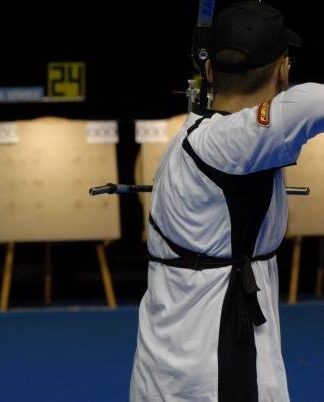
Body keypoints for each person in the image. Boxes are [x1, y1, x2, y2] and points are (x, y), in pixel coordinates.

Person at [130, 2, 324, 401]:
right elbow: (311, 102)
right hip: (219, 367)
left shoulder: (197, 132)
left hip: (165, 365)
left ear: (211, 70)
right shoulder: (232, 141)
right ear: (284, 69)